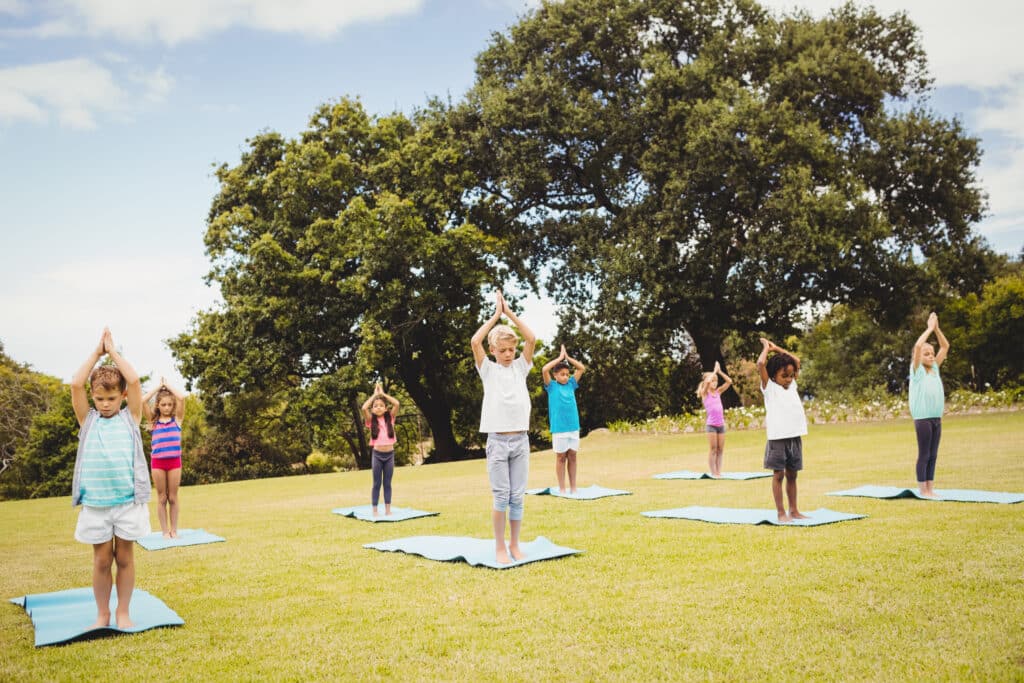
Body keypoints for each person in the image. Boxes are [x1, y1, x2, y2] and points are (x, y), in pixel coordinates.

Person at [70, 328, 151, 629]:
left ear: (123, 397)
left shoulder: (131, 419)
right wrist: (96, 352)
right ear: (93, 397)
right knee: (102, 561)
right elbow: (76, 383)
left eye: (111, 398)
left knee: (125, 559)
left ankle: (123, 612)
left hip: (127, 502)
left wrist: (113, 353)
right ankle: (103, 613)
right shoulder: (87, 421)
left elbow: (134, 380)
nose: (105, 404)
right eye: (100, 398)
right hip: (96, 504)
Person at [471, 290, 536, 564]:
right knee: (501, 496)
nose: (509, 354)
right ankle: (500, 547)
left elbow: (531, 338)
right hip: (497, 441)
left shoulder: (521, 368)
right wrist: (496, 316)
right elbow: (476, 340)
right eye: (503, 350)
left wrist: (509, 314)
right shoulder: (488, 370)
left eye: (512, 349)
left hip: (520, 441)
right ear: (494, 351)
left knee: (517, 496)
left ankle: (515, 544)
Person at [756, 338, 808, 522]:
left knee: (792, 475)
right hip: (778, 438)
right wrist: (766, 348)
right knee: (778, 475)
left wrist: (777, 347)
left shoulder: (791, 385)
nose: (788, 379)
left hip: (794, 436)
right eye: (784, 376)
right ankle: (781, 513)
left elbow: (796, 361)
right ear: (772, 376)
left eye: (791, 376)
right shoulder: (769, 388)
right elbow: (761, 363)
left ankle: (794, 510)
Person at [910, 312, 950, 499]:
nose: (931, 356)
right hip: (923, 418)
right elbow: (918, 346)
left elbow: (945, 346)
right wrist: (928, 329)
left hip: (936, 418)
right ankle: (923, 490)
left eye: (932, 353)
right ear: (919, 357)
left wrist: (937, 328)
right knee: (924, 453)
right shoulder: (917, 370)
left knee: (933, 454)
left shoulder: (934, 368)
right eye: (927, 354)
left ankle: (930, 488)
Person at [142, 377, 185, 538]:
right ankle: (165, 531)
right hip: (158, 463)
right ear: (158, 406)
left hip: (174, 462)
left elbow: (181, 398)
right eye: (163, 404)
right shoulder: (153, 422)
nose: (167, 407)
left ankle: (174, 530)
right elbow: (142, 401)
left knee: (173, 497)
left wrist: (168, 386)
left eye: (169, 404)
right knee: (161, 497)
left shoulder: (177, 421)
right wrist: (158, 387)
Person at [542, 344, 586, 493]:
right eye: (562, 374)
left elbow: (581, 369)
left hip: (573, 427)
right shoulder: (552, 386)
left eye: (567, 374)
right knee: (561, 457)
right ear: (555, 375)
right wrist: (559, 358)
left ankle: (573, 488)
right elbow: (544, 369)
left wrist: (568, 358)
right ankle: (562, 488)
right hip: (559, 428)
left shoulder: (571, 385)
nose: (566, 377)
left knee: (572, 456)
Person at [360, 382, 401, 516]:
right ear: (373, 409)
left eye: (381, 406)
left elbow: (397, 404)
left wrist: (383, 394)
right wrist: (374, 395)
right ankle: (375, 510)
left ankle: (388, 510)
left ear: (385, 409)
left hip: (389, 455)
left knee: (387, 483)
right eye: (376, 406)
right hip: (377, 455)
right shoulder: (371, 421)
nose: (378, 407)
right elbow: (364, 408)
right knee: (377, 483)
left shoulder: (391, 418)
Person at [697, 361, 733, 477]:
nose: (714, 383)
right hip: (711, 425)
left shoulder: (718, 392)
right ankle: (713, 473)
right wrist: (714, 371)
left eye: (716, 381)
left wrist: (720, 372)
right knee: (713, 449)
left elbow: (729, 381)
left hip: (721, 425)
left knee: (720, 450)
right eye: (713, 381)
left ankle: (718, 472)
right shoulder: (704, 393)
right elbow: (707, 381)